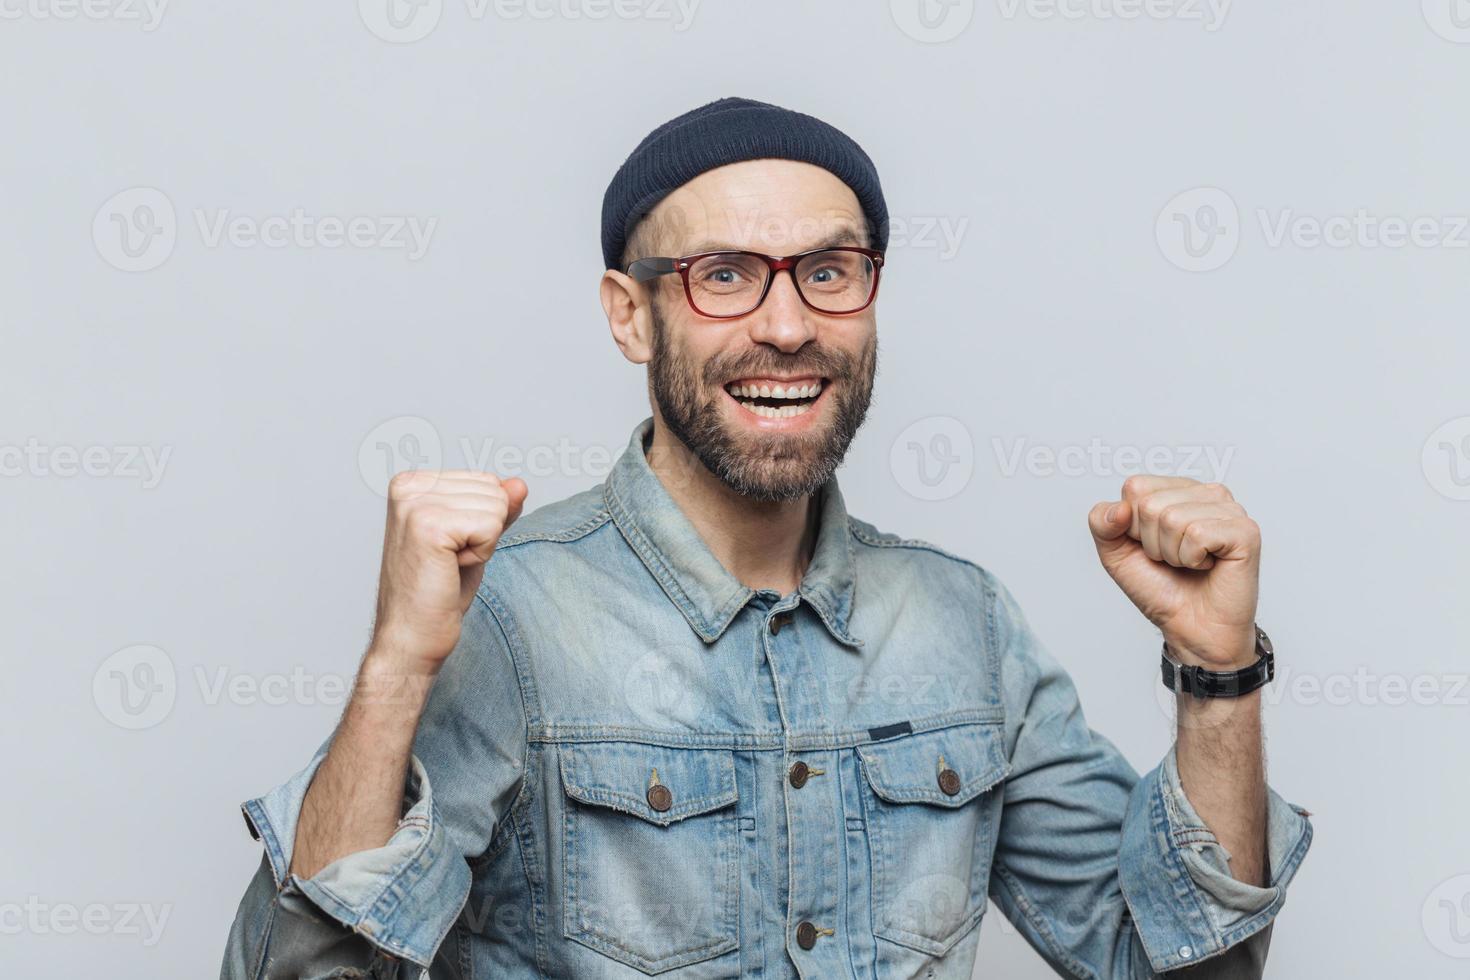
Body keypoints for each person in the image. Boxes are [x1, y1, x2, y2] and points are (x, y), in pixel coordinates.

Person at [220, 96, 1312, 980]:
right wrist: (396, 667)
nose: (786, 325)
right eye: (725, 275)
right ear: (629, 313)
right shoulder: (505, 615)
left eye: (827, 271)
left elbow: (1177, 963)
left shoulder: (965, 624)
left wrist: (1218, 672)